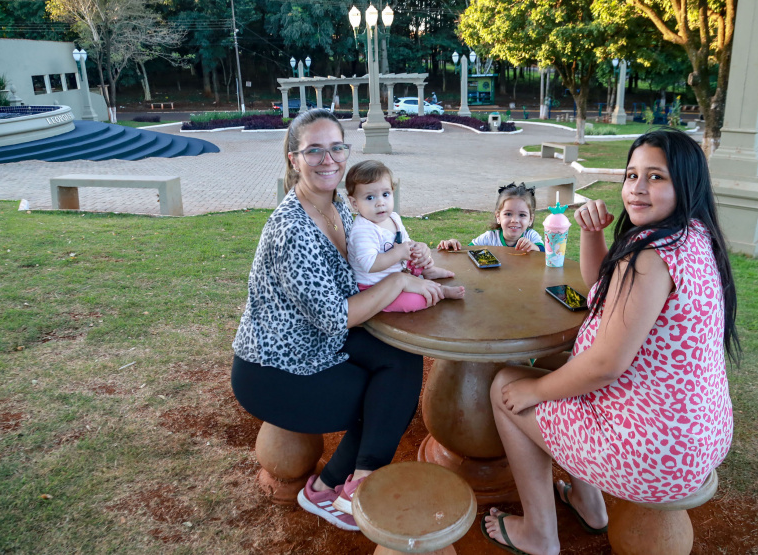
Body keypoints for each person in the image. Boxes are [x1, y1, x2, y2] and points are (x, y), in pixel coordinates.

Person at [481, 128, 739, 555]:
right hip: (696, 438)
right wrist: (592, 233)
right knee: (556, 374)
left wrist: (531, 391)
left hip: (652, 453)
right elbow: (606, 293)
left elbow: (604, 366)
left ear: (686, 183)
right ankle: (588, 501)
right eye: (632, 174)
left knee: (506, 388)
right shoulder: (693, 236)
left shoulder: (649, 256)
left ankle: (540, 534)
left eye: (656, 177)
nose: (637, 188)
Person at [231, 109, 445, 532]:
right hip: (278, 367)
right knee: (382, 397)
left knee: (401, 362)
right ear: (294, 159)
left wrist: (415, 258)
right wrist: (401, 279)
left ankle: (333, 485)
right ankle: (353, 489)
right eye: (314, 150)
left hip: (318, 343)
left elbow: (369, 267)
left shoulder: (341, 210)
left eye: (336, 148)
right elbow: (335, 316)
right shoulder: (291, 228)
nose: (328, 159)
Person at [346, 160, 464, 313]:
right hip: (375, 287)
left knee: (419, 257)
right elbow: (369, 264)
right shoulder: (363, 230)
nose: (380, 202)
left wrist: (417, 247)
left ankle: (426, 272)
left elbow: (406, 244)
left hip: (400, 273)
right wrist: (398, 253)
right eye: (370, 197)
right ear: (354, 203)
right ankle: (440, 292)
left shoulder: (394, 218)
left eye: (385, 194)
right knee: (416, 301)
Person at [438, 183, 545, 253]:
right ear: (498, 217)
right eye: (508, 214)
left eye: (522, 215)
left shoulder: (531, 236)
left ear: (530, 219)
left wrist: (533, 247)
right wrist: (453, 244)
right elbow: (468, 251)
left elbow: (545, 254)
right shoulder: (489, 238)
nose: (515, 220)